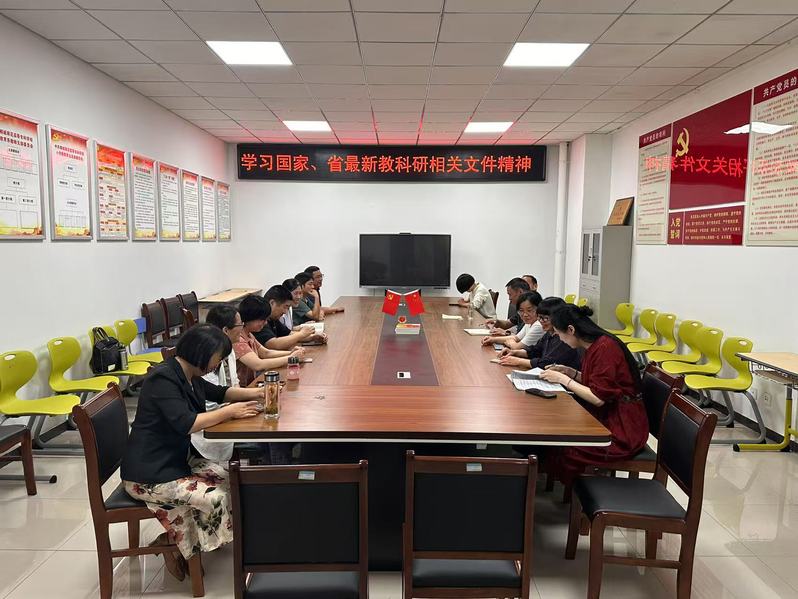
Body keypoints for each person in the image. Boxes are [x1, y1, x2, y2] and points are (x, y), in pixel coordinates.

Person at [121, 325, 262, 580]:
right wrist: (230, 411)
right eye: (217, 357)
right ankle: (174, 543)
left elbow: (220, 393)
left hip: (175, 461)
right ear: (201, 352)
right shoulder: (163, 379)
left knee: (231, 478)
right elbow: (186, 423)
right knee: (216, 497)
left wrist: (259, 392)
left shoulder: (188, 374)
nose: (218, 363)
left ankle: (180, 542)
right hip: (149, 474)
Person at [539, 304, 648, 484]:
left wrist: (563, 379)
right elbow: (598, 382)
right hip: (611, 413)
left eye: (559, 334)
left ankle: (579, 490)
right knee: (556, 432)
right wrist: (570, 372)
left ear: (571, 330)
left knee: (565, 444)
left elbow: (598, 398)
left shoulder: (605, 348)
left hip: (622, 427)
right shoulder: (596, 344)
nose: (559, 338)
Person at [235, 294, 304, 387]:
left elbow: (266, 353)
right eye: (262, 320)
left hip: (252, 384)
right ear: (250, 317)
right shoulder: (238, 339)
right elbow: (258, 364)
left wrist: (291, 353)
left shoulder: (249, 334)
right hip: (242, 389)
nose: (265, 323)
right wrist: (290, 358)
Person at [497, 297, 581, 371]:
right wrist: (515, 352)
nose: (541, 321)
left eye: (545, 318)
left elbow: (547, 363)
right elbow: (536, 350)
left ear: (558, 318)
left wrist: (518, 361)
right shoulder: (549, 333)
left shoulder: (565, 337)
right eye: (539, 317)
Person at [253, 285, 317, 350]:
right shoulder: (260, 319)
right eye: (285, 306)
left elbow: (289, 334)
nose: (285, 312)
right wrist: (301, 334)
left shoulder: (273, 318)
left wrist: (312, 337)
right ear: (272, 303)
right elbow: (273, 344)